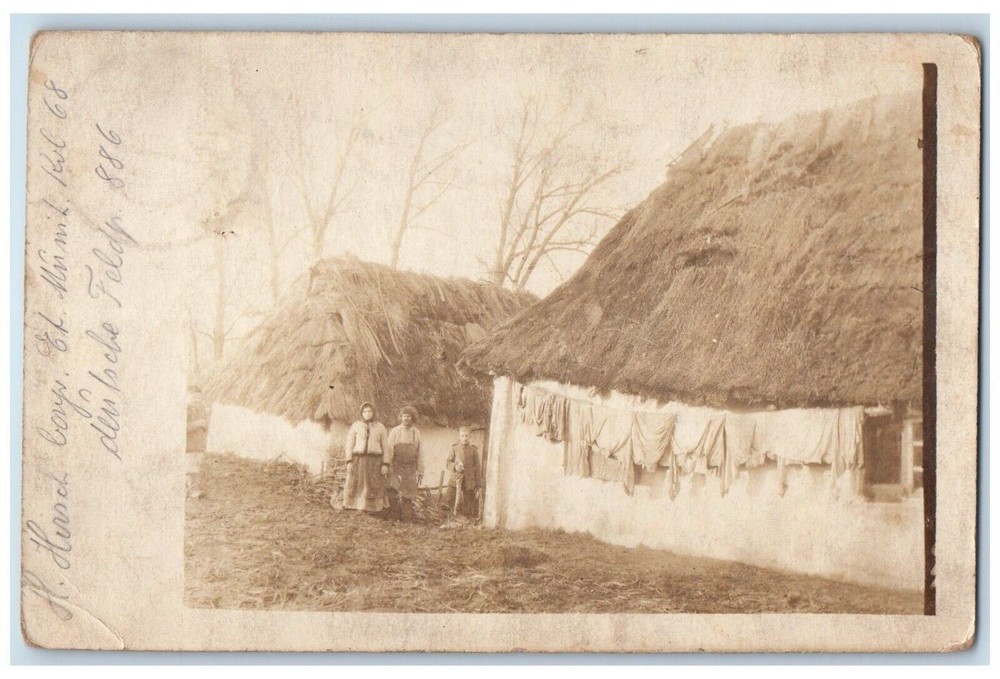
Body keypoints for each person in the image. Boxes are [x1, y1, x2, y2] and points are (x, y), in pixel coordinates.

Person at [340, 401, 389, 513]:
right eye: (365, 411)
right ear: (361, 413)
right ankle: (352, 505)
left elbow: (386, 447)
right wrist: (349, 461)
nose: (367, 413)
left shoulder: (380, 427)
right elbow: (349, 444)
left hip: (374, 460)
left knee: (373, 483)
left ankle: (371, 508)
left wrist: (385, 464)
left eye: (369, 411)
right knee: (355, 482)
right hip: (359, 459)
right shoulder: (356, 426)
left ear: (373, 412)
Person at [385, 405, 424, 522]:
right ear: (400, 417)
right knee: (393, 490)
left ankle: (407, 518)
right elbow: (389, 450)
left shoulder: (416, 433)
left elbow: (420, 452)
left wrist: (421, 470)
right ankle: (394, 516)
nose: (406, 418)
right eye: (404, 416)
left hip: (410, 468)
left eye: (409, 416)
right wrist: (389, 466)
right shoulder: (395, 431)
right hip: (396, 466)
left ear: (412, 418)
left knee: (408, 493)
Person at [445, 426, 483, 518]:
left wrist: (478, 483)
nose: (465, 438)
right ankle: (449, 516)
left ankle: (467, 517)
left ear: (469, 437)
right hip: (456, 477)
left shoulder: (473, 450)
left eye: (466, 436)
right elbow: (448, 463)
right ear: (459, 437)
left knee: (468, 501)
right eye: (462, 436)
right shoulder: (454, 448)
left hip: (469, 479)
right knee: (449, 497)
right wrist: (455, 466)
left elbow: (477, 467)